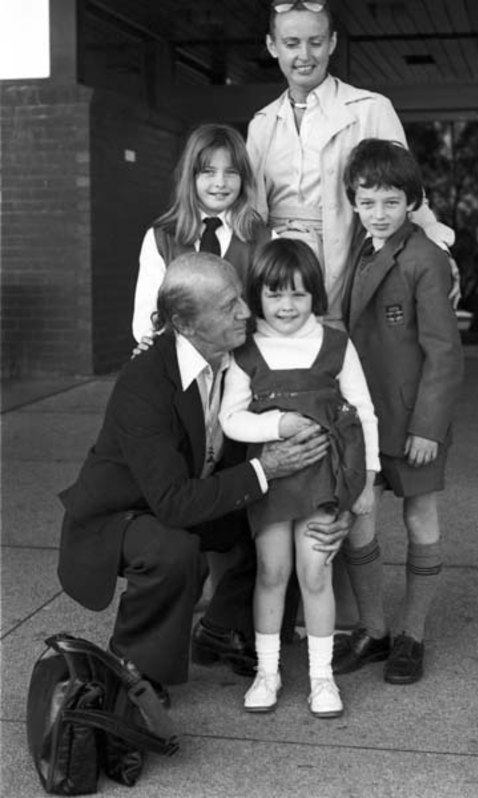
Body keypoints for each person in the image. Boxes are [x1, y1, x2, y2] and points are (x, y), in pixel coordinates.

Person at [58, 252, 350, 706]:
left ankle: (221, 629)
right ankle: (135, 669)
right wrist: (266, 468)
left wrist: (338, 506)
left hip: (191, 495)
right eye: (229, 305)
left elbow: (333, 398)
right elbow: (174, 502)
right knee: (174, 550)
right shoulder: (145, 380)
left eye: (241, 299)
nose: (247, 312)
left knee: (277, 526)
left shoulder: (248, 352)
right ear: (185, 323)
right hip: (124, 513)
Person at [219, 238, 379, 717]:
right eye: (274, 294)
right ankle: (267, 672)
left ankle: (321, 677)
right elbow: (231, 417)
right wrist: (277, 427)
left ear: (314, 296)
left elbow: (364, 412)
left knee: (315, 571)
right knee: (272, 572)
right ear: (257, 296)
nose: (286, 306)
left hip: (323, 482)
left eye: (297, 294)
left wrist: (367, 481)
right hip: (269, 482)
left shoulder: (335, 344)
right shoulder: (245, 350)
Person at [333, 139, 464, 684]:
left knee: (418, 516)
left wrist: (429, 427)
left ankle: (412, 634)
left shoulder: (426, 258)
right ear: (354, 202)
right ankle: (374, 628)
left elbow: (444, 352)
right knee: (360, 517)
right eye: (367, 202)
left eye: (390, 202)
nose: (378, 213)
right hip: (366, 417)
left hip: (412, 423)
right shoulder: (359, 250)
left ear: (412, 202)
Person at [246, 0, 458, 326]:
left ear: (331, 43)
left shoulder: (371, 109)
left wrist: (440, 251)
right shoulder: (261, 123)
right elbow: (248, 213)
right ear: (272, 46)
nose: (305, 55)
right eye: (291, 43)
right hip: (276, 279)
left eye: (315, 42)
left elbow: (408, 195)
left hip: (346, 271)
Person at [132, 123, 270, 345]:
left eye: (231, 172)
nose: (220, 183)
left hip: (247, 363)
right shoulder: (160, 238)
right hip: (181, 362)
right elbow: (148, 312)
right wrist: (156, 347)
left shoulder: (266, 238)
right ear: (191, 176)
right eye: (209, 172)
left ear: (243, 178)